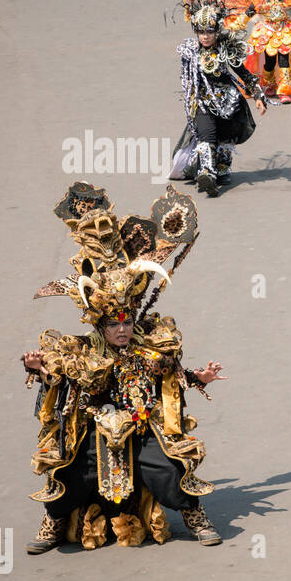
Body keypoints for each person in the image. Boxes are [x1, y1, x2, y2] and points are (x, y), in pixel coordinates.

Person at [23, 182, 226, 554]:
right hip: (96, 426)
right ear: (100, 325)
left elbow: (171, 375)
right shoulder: (81, 349)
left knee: (166, 466)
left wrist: (199, 377)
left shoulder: (150, 343)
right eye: (114, 324)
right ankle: (52, 522)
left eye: (127, 322)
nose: (122, 329)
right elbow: (60, 376)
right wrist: (40, 371)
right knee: (71, 469)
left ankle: (195, 516)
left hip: (141, 422)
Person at [176, 0, 267, 197]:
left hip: (228, 103)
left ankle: (223, 169)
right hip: (203, 102)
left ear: (217, 31)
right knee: (206, 135)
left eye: (209, 31)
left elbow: (243, 73)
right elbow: (187, 79)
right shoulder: (191, 52)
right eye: (201, 31)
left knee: (226, 138)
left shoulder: (226, 50)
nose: (205, 36)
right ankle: (207, 173)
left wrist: (259, 95)